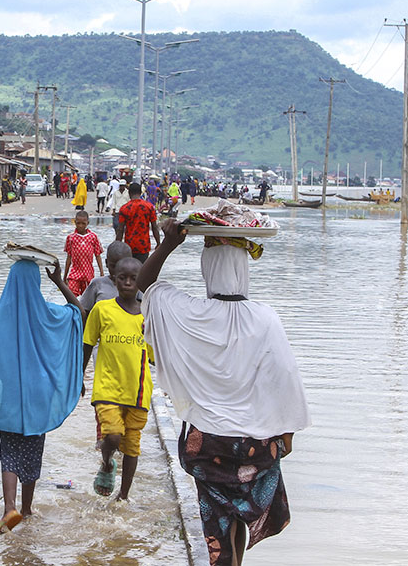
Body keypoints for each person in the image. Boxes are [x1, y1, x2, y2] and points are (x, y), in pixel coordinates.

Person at [137, 220, 310, 566]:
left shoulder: (189, 313)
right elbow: (284, 376)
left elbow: (146, 286)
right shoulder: (265, 318)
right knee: (240, 518)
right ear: (243, 269)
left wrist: (168, 245)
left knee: (217, 524)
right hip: (255, 444)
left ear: (207, 269)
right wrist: (287, 432)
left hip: (208, 443)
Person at [0, 258, 84, 533]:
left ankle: (9, 508)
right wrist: (60, 282)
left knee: (9, 454)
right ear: (37, 283)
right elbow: (78, 312)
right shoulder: (48, 314)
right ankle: (26, 509)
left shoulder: (4, 315)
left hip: (12, 397)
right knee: (32, 452)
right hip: (40, 396)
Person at [78, 256, 152, 501]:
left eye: (134, 279)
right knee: (111, 436)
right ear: (115, 280)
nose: (128, 283)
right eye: (123, 278)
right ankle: (108, 462)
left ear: (141, 282)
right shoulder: (102, 309)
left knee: (132, 445)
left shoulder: (147, 316)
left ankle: (123, 495)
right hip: (107, 387)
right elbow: (88, 343)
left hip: (138, 391)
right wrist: (79, 375)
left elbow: (155, 355)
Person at [78, 241, 143, 449]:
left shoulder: (137, 287)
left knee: (126, 392)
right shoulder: (98, 285)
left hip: (129, 351)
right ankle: (104, 437)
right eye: (115, 266)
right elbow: (82, 311)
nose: (120, 274)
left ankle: (121, 437)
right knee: (106, 392)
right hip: (103, 348)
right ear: (107, 264)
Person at [116, 182, 161, 262]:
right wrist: (158, 243)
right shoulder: (149, 207)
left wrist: (117, 246)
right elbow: (154, 227)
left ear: (129, 193)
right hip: (144, 245)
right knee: (142, 271)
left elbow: (120, 230)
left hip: (129, 246)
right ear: (140, 193)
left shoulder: (124, 208)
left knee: (130, 271)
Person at [63, 210, 104, 297]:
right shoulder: (71, 238)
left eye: (83, 223)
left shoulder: (93, 237)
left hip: (88, 274)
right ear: (75, 222)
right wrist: (65, 275)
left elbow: (97, 255)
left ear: (87, 223)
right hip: (74, 274)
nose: (80, 226)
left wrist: (101, 273)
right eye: (78, 223)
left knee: (87, 298)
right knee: (71, 296)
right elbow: (69, 258)